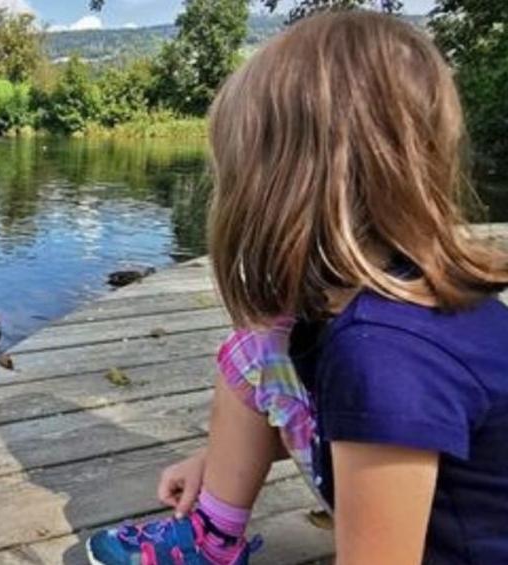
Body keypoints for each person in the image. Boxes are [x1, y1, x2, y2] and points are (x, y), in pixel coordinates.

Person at [87, 10, 508, 565]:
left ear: (284, 187)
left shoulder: (384, 356)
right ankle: (215, 535)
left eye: (233, 174)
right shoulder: (380, 298)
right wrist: (215, 463)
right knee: (259, 349)